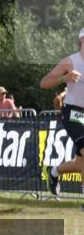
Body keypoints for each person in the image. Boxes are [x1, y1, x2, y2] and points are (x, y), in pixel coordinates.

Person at [40, 28, 84, 197]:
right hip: (72, 112)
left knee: (81, 162)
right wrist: (63, 79)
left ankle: (53, 172)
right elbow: (44, 83)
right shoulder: (69, 62)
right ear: (81, 40)